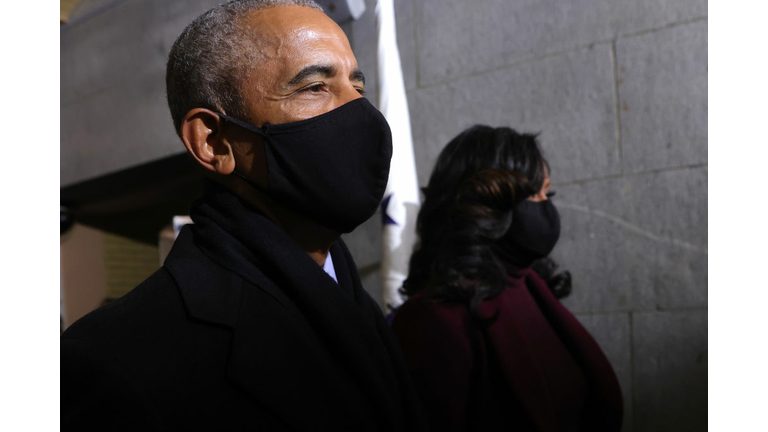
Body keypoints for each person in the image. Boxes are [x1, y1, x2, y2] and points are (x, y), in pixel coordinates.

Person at [60, 1, 425, 431]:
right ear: (213, 142)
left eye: (357, 88)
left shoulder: (359, 308)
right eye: (315, 87)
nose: (361, 114)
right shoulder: (115, 361)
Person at [391, 125, 623, 432]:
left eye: (548, 192)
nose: (547, 206)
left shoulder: (530, 284)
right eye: (534, 194)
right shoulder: (433, 319)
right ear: (486, 202)